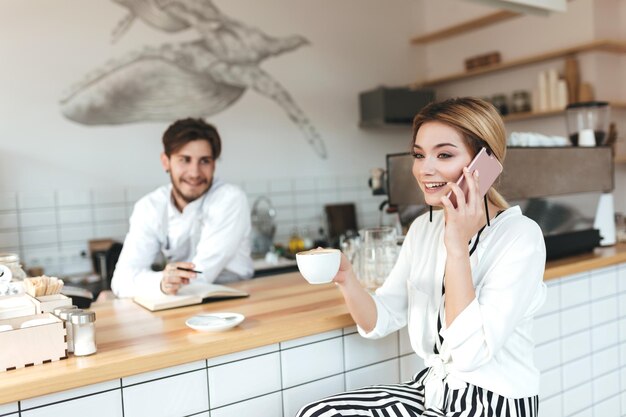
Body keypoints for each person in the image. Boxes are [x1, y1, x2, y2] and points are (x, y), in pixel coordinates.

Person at [297, 97, 547, 417]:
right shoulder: (423, 229)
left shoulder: (519, 237)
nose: (424, 169)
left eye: (443, 154)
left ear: (484, 164)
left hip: (495, 403)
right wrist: (346, 277)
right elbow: (381, 318)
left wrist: (456, 245)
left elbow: (470, 355)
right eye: (419, 154)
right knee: (319, 414)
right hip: (432, 391)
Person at [111, 118, 253, 298]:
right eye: (184, 160)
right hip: (178, 301)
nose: (194, 173)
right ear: (166, 162)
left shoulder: (230, 200)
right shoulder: (150, 207)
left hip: (235, 297)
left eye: (204, 161)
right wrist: (162, 282)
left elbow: (200, 276)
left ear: (214, 164)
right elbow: (121, 280)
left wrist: (160, 283)